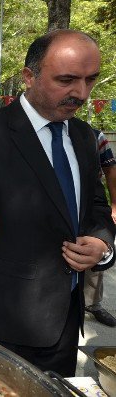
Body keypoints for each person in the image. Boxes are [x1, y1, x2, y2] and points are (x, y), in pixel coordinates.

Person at [0, 29, 115, 376]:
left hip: (66, 323)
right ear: (28, 77)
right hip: (1, 327)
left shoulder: (83, 136)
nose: (80, 93)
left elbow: (96, 206)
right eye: (66, 80)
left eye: (89, 80)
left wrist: (102, 245)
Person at [84, 129, 116, 326]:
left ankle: (93, 303)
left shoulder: (94, 136)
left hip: (91, 199)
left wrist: (114, 205)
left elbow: (110, 169)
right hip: (49, 200)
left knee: (95, 246)